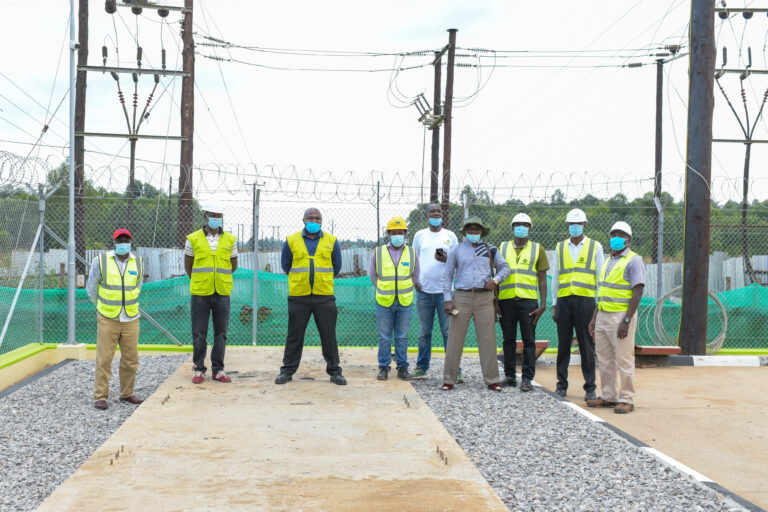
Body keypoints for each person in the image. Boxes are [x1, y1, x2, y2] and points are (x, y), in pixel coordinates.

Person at [275, 207, 347, 386]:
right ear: (303, 220)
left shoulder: (331, 241)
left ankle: (334, 371)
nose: (314, 221)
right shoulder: (291, 240)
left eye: (317, 219)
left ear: (321, 221)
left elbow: (336, 267)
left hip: (324, 296)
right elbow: (286, 265)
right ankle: (287, 370)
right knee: (294, 335)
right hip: (299, 295)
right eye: (310, 218)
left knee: (329, 335)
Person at [441, 216, 511, 391]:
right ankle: (449, 379)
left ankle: (492, 380)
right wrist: (447, 299)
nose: (473, 232)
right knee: (455, 339)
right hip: (462, 297)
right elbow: (448, 275)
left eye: (476, 230)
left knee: (488, 339)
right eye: (470, 229)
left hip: (484, 297)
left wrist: (495, 280)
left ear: (481, 232)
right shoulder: (456, 250)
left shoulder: (490, 249)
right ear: (465, 232)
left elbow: (506, 268)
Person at [587, 222, 645, 414]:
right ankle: (608, 396)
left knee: (624, 358)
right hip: (603, 314)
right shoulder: (609, 260)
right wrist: (595, 318)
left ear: (628, 239)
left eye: (620, 234)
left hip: (621, 316)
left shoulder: (634, 260)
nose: (615, 237)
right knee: (604, 358)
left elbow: (638, 291)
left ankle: (627, 399)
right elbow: (602, 292)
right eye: (613, 234)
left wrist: (627, 320)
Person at [86, 228, 144, 410]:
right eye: (120, 240)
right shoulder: (100, 261)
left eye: (126, 240)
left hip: (131, 318)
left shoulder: (139, 263)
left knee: (131, 358)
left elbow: (138, 286)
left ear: (130, 243)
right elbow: (91, 289)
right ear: (114, 243)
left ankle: (127, 393)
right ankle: (101, 396)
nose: (123, 243)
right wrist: (102, 308)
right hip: (108, 318)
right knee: (104, 359)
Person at [551, 208, 604, 400]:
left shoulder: (595, 246)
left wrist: (598, 307)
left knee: (586, 345)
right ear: (567, 226)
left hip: (586, 302)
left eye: (578, 224)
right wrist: (554, 304)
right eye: (572, 224)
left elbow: (600, 278)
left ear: (584, 225)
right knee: (563, 345)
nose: (575, 227)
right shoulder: (560, 247)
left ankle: (590, 388)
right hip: (564, 301)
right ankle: (561, 385)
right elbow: (555, 278)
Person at [184, 202, 238, 384]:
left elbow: (233, 265)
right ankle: (199, 369)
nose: (215, 218)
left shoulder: (231, 240)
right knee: (199, 333)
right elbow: (188, 265)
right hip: (200, 292)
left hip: (222, 291)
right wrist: (201, 280)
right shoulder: (192, 238)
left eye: (219, 215)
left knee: (221, 333)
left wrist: (219, 280)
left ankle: (218, 370)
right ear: (205, 216)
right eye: (212, 215)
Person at [498, 213, 549, 391]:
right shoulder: (502, 247)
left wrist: (543, 304)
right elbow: (496, 275)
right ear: (512, 228)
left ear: (530, 228)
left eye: (525, 225)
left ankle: (527, 378)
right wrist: (495, 302)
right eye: (518, 224)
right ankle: (510, 376)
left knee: (529, 340)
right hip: (506, 301)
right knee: (508, 340)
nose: (521, 227)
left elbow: (542, 278)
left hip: (528, 302)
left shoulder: (538, 249)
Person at [412, 203, 459, 378]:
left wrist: (447, 258)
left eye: (438, 211)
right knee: (425, 332)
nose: (436, 214)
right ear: (427, 215)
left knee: (449, 332)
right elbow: (414, 259)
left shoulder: (450, 236)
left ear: (442, 215)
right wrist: (415, 280)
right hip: (424, 292)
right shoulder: (420, 236)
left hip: (445, 294)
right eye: (432, 211)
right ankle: (421, 368)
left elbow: (457, 261)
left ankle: (454, 370)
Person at [370, 216, 420, 380]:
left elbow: (415, 275)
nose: (397, 235)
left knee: (402, 337)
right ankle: (383, 367)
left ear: (405, 234)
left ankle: (402, 368)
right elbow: (373, 275)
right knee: (384, 336)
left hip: (405, 301)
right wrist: (383, 289)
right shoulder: (378, 252)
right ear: (389, 234)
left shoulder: (412, 252)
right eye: (394, 232)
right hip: (384, 301)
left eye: (400, 232)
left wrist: (406, 289)